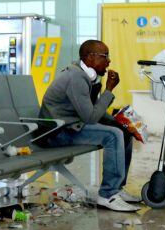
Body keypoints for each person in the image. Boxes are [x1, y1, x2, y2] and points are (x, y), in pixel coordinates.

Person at [40, 40, 138, 212]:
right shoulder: (76, 78)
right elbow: (92, 117)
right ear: (90, 57)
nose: (109, 61)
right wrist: (109, 90)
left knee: (122, 132)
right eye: (105, 56)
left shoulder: (87, 77)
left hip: (71, 126)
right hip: (56, 133)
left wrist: (122, 123)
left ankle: (116, 189)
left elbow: (94, 110)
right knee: (113, 135)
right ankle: (107, 195)